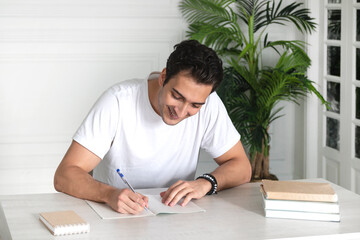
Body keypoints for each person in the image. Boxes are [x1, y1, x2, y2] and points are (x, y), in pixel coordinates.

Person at [54, 40, 251, 215]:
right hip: (118, 218)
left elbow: (242, 166)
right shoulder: (117, 101)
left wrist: (206, 183)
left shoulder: (210, 104)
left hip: (177, 217)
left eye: (195, 105)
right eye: (177, 96)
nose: (182, 112)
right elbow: (64, 175)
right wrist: (109, 194)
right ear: (163, 77)